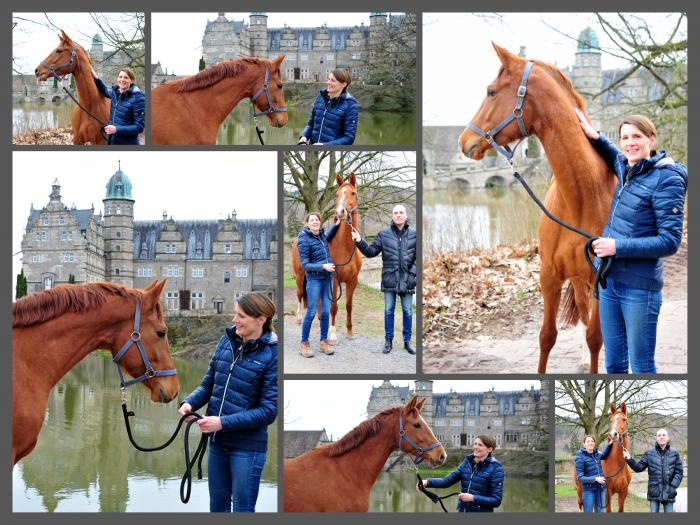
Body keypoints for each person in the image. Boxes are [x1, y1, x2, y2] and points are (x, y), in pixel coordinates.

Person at [576, 110, 688, 373]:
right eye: (624, 137)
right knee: (614, 365)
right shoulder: (627, 167)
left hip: (640, 289)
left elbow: (670, 242)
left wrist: (617, 247)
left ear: (652, 139)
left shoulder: (667, 179)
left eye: (636, 136)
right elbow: (614, 154)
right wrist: (595, 137)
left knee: (641, 366)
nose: (630, 143)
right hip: (610, 282)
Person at [178, 292, 277, 512]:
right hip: (218, 444)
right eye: (235, 314)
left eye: (241, 316)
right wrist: (190, 404)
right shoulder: (227, 341)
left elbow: (269, 411)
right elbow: (208, 385)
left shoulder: (273, 354)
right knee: (218, 508)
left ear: (261, 319)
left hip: (247, 449)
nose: (234, 320)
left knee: (242, 508)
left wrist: (222, 422)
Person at [351, 204, 416, 354]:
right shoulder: (383, 234)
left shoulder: (414, 234)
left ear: (406, 215)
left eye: (401, 212)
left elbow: (417, 258)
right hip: (389, 279)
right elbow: (371, 252)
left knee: (408, 312)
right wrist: (359, 241)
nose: (398, 215)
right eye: (395, 213)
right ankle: (388, 341)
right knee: (388, 311)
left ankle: (407, 342)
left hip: (408, 280)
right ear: (392, 216)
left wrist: (412, 275)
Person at [416, 435, 504, 512]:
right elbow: (446, 481)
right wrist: (427, 482)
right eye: (475, 444)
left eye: (480, 445)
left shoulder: (496, 468)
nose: (476, 447)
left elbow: (496, 500)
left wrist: (473, 498)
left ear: (490, 449)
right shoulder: (467, 463)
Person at [297, 212, 339, 357]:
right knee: (311, 312)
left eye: (317, 220)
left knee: (326, 312)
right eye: (312, 220)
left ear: (320, 222)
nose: (315, 222)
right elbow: (305, 265)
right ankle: (304, 343)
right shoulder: (303, 239)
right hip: (314, 280)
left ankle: (323, 342)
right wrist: (323, 266)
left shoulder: (322, 236)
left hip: (328, 278)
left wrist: (337, 224)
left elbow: (329, 235)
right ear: (307, 223)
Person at [624, 428, 684, 512]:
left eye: (664, 435)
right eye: (659, 435)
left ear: (668, 438)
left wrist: (673, 486)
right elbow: (638, 467)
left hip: (669, 492)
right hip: (654, 492)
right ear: (656, 438)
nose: (661, 437)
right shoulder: (649, 453)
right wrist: (629, 459)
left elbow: (679, 472)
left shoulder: (675, 453)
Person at [297, 69, 358, 145]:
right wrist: (304, 137)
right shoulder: (320, 97)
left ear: (343, 84)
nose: (328, 82)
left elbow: (349, 138)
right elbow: (311, 124)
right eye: (328, 79)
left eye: (332, 80)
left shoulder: (350, 104)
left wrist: (324, 145)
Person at [91, 66, 145, 145]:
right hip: (112, 141)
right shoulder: (115, 93)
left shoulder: (138, 98)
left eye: (126, 77)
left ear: (131, 80)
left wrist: (116, 129)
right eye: (120, 77)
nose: (122, 80)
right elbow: (105, 90)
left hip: (128, 144)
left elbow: (139, 127)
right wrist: (96, 78)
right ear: (117, 79)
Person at [575, 435, 612, 512]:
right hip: (589, 491)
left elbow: (604, 455)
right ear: (584, 444)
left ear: (594, 443)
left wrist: (610, 444)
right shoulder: (580, 457)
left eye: (592, 441)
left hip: (601, 490)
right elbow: (580, 477)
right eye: (588, 441)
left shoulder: (597, 454)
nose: (590, 443)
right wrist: (595, 479)